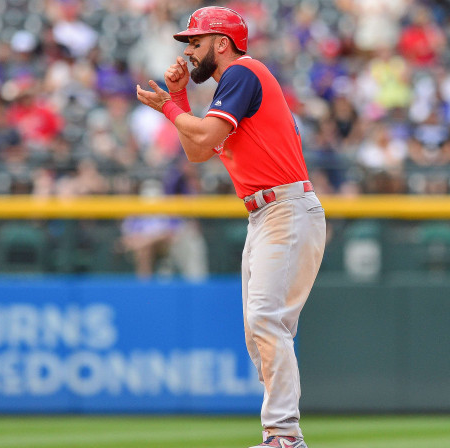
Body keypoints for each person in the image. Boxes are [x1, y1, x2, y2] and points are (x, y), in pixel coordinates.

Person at [136, 7, 325, 448]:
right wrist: (179, 100)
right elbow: (198, 153)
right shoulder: (233, 87)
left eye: (196, 42)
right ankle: (280, 432)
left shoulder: (243, 71)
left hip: (286, 208)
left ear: (222, 43)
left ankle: (284, 435)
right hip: (265, 213)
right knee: (257, 331)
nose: (189, 51)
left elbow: (200, 138)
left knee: (266, 319)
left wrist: (168, 106)